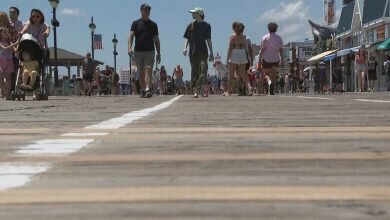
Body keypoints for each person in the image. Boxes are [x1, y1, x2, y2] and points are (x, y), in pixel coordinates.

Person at [128, 3, 161, 98]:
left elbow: (157, 40)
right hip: (138, 51)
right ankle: (143, 89)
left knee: (148, 69)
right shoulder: (135, 23)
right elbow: (131, 36)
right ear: (141, 11)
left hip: (150, 51)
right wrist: (129, 48)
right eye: (145, 10)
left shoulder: (153, 25)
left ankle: (147, 89)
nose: (147, 12)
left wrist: (159, 53)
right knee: (141, 72)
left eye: (148, 10)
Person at [183, 7, 214, 98]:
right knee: (194, 71)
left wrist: (211, 52)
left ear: (199, 14)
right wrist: (184, 47)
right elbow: (187, 38)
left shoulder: (207, 25)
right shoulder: (190, 25)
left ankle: (204, 91)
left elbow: (208, 39)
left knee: (203, 70)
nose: (192, 14)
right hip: (193, 51)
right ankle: (195, 91)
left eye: (194, 13)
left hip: (203, 51)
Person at [226, 21, 252, 96]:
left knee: (231, 74)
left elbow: (230, 48)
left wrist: (227, 59)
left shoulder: (232, 37)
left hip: (235, 53)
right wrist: (248, 57)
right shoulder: (244, 37)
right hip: (242, 53)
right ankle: (249, 87)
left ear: (234, 28)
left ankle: (229, 91)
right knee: (243, 73)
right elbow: (246, 48)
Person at [258, 22, 283, 95]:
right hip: (276, 59)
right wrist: (282, 59)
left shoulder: (265, 37)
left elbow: (262, 50)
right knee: (274, 74)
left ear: (268, 29)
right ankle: (272, 86)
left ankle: (269, 82)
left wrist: (259, 59)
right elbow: (281, 50)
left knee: (265, 73)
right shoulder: (279, 38)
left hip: (267, 59)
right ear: (276, 29)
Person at [0, 27, 18, 100]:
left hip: (9, 61)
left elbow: (15, 51)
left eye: (7, 32)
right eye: (4, 32)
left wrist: (18, 44)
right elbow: (4, 48)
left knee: (8, 77)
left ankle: (8, 94)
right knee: (0, 77)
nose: (6, 33)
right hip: (1, 61)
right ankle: (3, 88)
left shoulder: (10, 42)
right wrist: (14, 44)